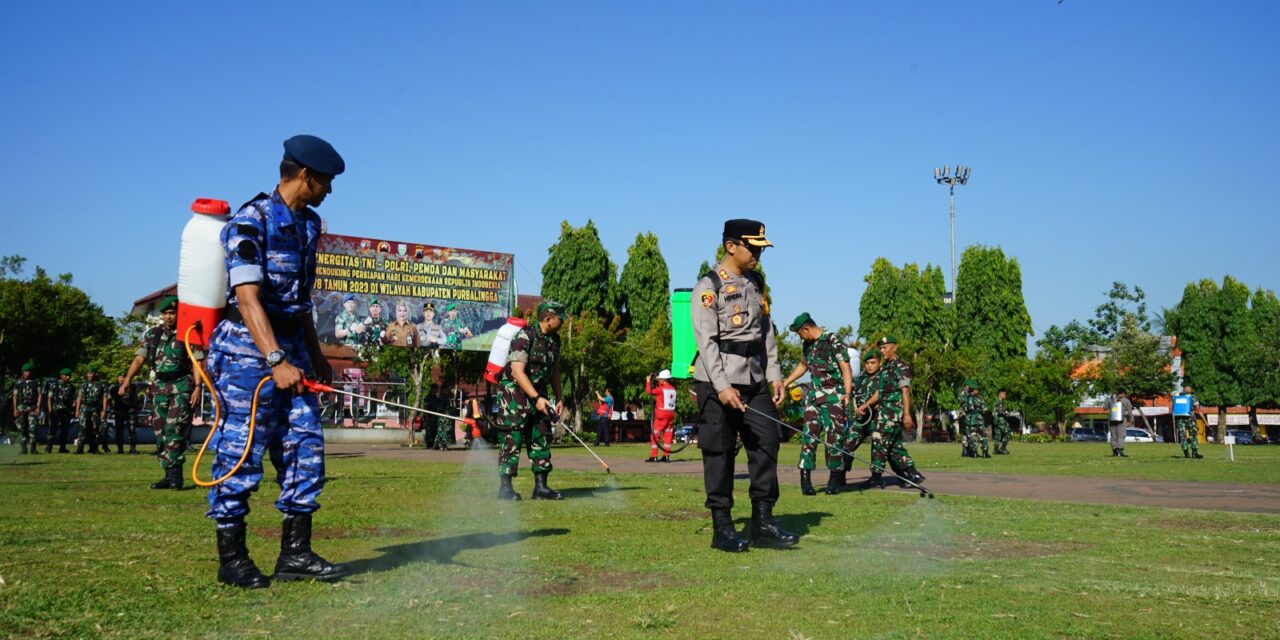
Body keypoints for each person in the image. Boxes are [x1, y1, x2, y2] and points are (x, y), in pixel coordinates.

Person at [203, 134, 349, 589]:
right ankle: (233, 559)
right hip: (248, 352)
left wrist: (315, 355)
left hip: (293, 350)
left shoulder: (309, 224)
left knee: (305, 447)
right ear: (304, 174)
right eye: (325, 180)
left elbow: (300, 300)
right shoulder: (250, 222)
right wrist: (275, 360)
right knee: (240, 451)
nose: (329, 189)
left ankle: (296, 554)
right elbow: (247, 299)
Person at [692, 219, 797, 553]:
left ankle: (763, 523)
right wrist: (722, 386)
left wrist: (775, 374)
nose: (758, 254)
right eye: (753, 247)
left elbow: (766, 332)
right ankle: (722, 528)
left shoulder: (756, 283)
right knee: (719, 453)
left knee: (767, 443)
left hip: (754, 379)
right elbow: (706, 342)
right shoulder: (709, 287)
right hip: (717, 381)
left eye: (761, 248)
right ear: (731, 246)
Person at [121, 296, 202, 485]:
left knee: (175, 428)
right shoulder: (152, 335)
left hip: (181, 385)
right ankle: (168, 473)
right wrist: (127, 380)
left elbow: (197, 362)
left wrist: (198, 387)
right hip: (159, 387)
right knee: (160, 431)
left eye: (172, 313)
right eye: (165, 313)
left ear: (178, 314)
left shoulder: (187, 333)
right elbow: (139, 359)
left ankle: (176, 476)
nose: (168, 317)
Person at [494, 301, 567, 501]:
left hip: (539, 395)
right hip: (514, 396)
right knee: (512, 439)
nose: (564, 322)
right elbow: (517, 371)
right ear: (549, 319)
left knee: (541, 435)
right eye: (561, 318)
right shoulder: (525, 336)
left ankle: (541, 488)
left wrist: (559, 397)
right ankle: (505, 488)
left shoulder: (555, 340)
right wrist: (536, 398)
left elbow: (555, 370)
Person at [781, 312, 853, 496]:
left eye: (799, 333)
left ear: (807, 328)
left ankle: (834, 480)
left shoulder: (832, 340)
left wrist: (847, 393)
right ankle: (805, 480)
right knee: (809, 438)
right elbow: (803, 366)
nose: (800, 337)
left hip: (833, 398)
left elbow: (845, 367)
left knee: (833, 440)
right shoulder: (808, 344)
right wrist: (785, 382)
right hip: (813, 399)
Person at [854, 336, 926, 488]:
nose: (882, 350)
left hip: (892, 413)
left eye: (885, 347)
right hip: (883, 413)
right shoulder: (886, 368)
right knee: (893, 446)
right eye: (880, 348)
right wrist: (866, 405)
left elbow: (905, 391)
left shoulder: (901, 367)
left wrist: (906, 414)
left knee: (879, 442)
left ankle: (876, 477)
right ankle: (912, 474)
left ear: (895, 347)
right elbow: (880, 393)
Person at [75, 365, 109, 454]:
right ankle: (80, 448)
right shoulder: (84, 384)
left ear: (95, 374)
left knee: (95, 428)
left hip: (95, 408)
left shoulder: (101, 385)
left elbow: (105, 398)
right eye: (88, 373)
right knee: (82, 428)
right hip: (85, 407)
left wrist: (104, 410)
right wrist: (77, 410)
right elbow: (79, 397)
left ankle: (95, 448)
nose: (89, 375)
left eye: (91, 373)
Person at [645, 370, 677, 462]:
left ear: (663, 380)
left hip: (661, 415)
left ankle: (654, 456)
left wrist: (648, 381)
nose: (658, 381)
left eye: (659, 380)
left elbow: (648, 391)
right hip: (671, 414)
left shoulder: (661, 389)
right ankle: (666, 456)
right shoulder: (673, 389)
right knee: (668, 435)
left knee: (654, 435)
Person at [12, 361, 42, 455]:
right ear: (23, 372)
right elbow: (15, 396)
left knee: (33, 428)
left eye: (29, 371)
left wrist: (38, 406)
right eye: (26, 371)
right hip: (21, 407)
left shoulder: (36, 382)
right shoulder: (18, 382)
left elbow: (39, 394)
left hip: (32, 407)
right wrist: (15, 409)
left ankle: (33, 448)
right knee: (22, 428)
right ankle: (23, 448)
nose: (28, 373)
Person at [45, 368, 76, 453]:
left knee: (64, 430)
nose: (68, 378)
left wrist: (73, 406)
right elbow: (49, 399)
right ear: (61, 376)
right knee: (52, 429)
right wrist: (50, 410)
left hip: (66, 411)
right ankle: (49, 447)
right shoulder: (54, 385)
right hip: (56, 411)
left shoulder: (71, 387)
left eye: (69, 376)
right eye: (66, 376)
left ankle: (62, 448)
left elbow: (73, 399)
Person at [109, 374, 139, 454]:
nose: (121, 379)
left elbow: (135, 398)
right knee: (119, 431)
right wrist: (113, 409)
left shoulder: (132, 387)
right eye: (120, 377)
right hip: (119, 411)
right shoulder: (114, 387)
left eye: (123, 377)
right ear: (117, 378)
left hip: (130, 410)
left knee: (132, 430)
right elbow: (110, 399)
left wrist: (135, 408)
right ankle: (120, 449)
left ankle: (132, 449)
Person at [959, 380, 990, 458]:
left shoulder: (965, 399)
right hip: (978, 418)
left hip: (969, 419)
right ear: (974, 390)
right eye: (977, 389)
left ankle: (974, 452)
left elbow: (963, 409)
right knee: (983, 435)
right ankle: (985, 452)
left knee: (972, 435)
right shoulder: (979, 399)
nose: (978, 391)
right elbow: (985, 409)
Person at [1174, 385, 1202, 459]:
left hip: (1179, 418)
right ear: (1190, 391)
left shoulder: (1177, 397)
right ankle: (1194, 453)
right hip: (1190, 417)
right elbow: (1198, 409)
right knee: (1193, 435)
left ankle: (1186, 454)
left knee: (1183, 436)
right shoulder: (1192, 397)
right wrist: (1204, 420)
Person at [1108, 390, 1133, 458]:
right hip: (1122, 420)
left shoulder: (1110, 399)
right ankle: (1119, 451)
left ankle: (1114, 451)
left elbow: (1104, 408)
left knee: (1113, 437)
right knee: (1121, 436)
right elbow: (1130, 412)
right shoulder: (1126, 400)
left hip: (1112, 420)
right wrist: (1130, 421)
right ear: (1123, 394)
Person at [992, 388, 1012, 455]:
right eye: (1005, 394)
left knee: (998, 434)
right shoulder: (999, 402)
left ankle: (995, 450)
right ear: (1001, 394)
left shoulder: (996, 401)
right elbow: (1000, 411)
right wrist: (1007, 413)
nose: (1005, 396)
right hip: (1001, 420)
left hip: (996, 420)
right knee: (1008, 432)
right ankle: (1002, 449)